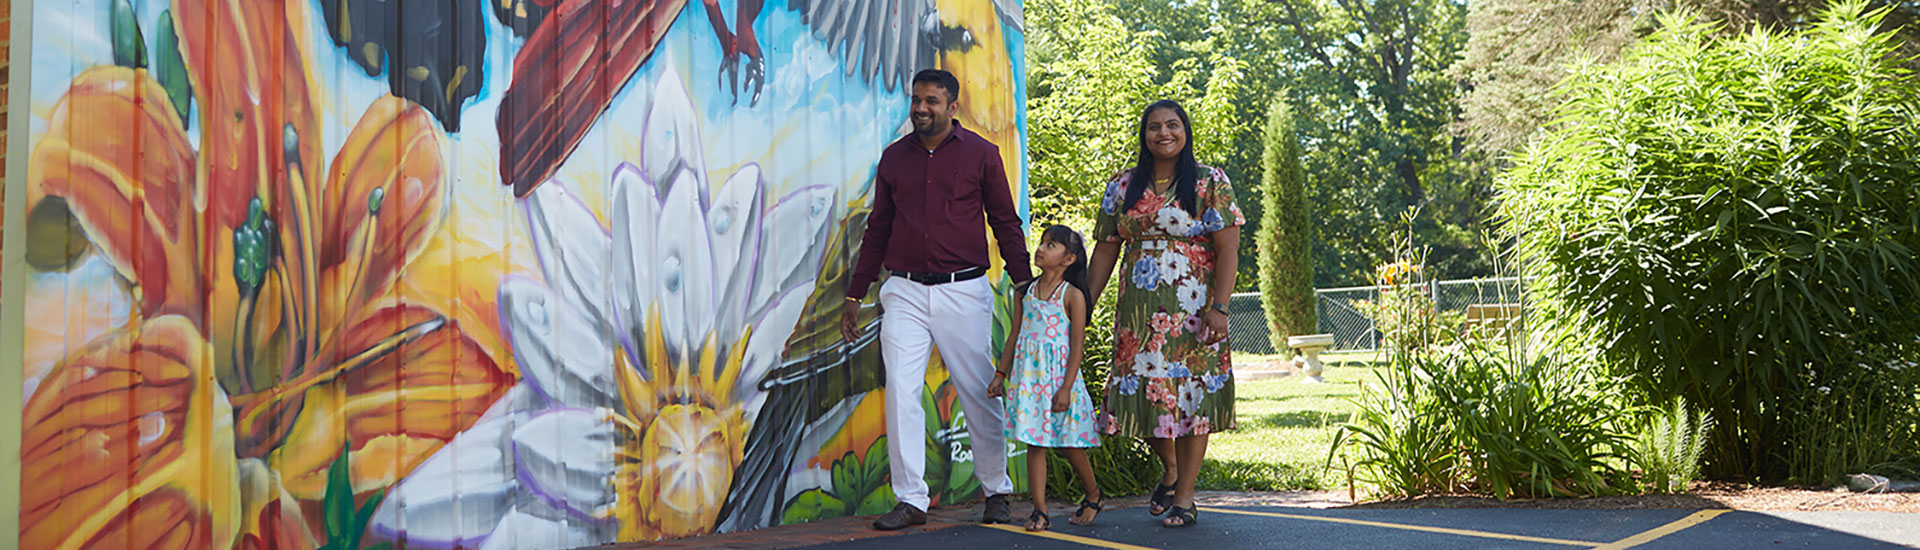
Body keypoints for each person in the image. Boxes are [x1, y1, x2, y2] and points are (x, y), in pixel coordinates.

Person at [840, 68, 1032, 531]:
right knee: (901, 393)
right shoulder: (894, 159)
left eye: (931, 101)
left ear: (953, 107)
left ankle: (997, 489)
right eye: (916, 100)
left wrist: (1026, 284)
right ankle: (911, 500)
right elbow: (878, 229)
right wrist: (856, 291)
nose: (921, 108)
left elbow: (1005, 222)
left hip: (963, 289)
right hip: (903, 290)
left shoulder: (982, 155)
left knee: (977, 389)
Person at [1087, 99, 1244, 529]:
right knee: (1147, 397)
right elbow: (1105, 249)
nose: (1164, 133)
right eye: (1154, 127)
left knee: (1192, 399)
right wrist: (1083, 305)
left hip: (1195, 313)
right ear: (1144, 135)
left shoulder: (1210, 181)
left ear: (1185, 130)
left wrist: (1220, 308)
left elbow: (1228, 249)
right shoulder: (1123, 186)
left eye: (1172, 125)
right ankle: (1171, 471)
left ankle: (1187, 497)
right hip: (1139, 320)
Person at [988, 225, 1103, 532]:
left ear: (1069, 259)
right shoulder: (1023, 292)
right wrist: (1001, 374)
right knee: (1033, 443)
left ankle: (1093, 495)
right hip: (1029, 381)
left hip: (1059, 381)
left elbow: (1077, 345)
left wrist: (1066, 388)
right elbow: (1014, 335)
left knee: (1069, 444)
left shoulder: (1074, 296)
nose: (1041, 248)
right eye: (1042, 243)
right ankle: (1040, 510)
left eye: (1051, 245)